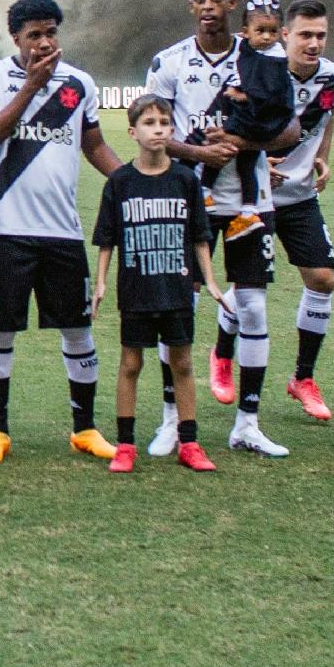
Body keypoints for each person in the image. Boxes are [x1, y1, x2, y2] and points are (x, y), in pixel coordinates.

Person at [146, 0, 301, 458]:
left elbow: (290, 132)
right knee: (180, 310)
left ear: (233, 4)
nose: (209, 5)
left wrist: (240, 142)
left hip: (250, 201)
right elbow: (153, 133)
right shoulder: (169, 62)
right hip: (189, 203)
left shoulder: (261, 56)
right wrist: (196, 156)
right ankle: (172, 418)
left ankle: (247, 424)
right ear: (191, 6)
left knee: (251, 306)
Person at [0, 0, 122, 465]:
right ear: (15, 37)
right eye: (34, 34)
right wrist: (32, 87)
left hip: (63, 233)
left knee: (78, 331)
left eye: (50, 32)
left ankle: (86, 429)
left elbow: (94, 146)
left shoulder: (79, 83)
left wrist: (132, 184)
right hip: (5, 230)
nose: (44, 42)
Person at [91, 96, 220, 474]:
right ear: (133, 132)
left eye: (164, 122)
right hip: (136, 289)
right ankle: (126, 446)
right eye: (149, 122)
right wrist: (100, 283)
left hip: (176, 288)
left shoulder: (184, 180)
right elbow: (106, 238)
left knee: (181, 362)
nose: (158, 129)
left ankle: (190, 442)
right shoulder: (120, 182)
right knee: (131, 363)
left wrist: (210, 281)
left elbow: (199, 236)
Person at [270, 0, 334, 422]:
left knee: (323, 279)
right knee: (249, 288)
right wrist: (252, 164)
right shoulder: (262, 73)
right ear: (286, 35)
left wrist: (322, 156)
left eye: (320, 35)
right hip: (254, 198)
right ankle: (223, 354)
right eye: (305, 35)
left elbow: (327, 118)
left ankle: (303, 377)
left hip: (299, 197)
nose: (313, 43)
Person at [201, 0, 294, 242]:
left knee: (220, 145)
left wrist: (244, 96)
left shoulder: (273, 59)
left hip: (256, 121)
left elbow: (268, 91)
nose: (266, 36)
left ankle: (205, 190)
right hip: (259, 121)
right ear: (246, 32)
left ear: (281, 32)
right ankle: (249, 210)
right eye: (260, 31)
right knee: (246, 164)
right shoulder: (256, 51)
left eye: (272, 31)